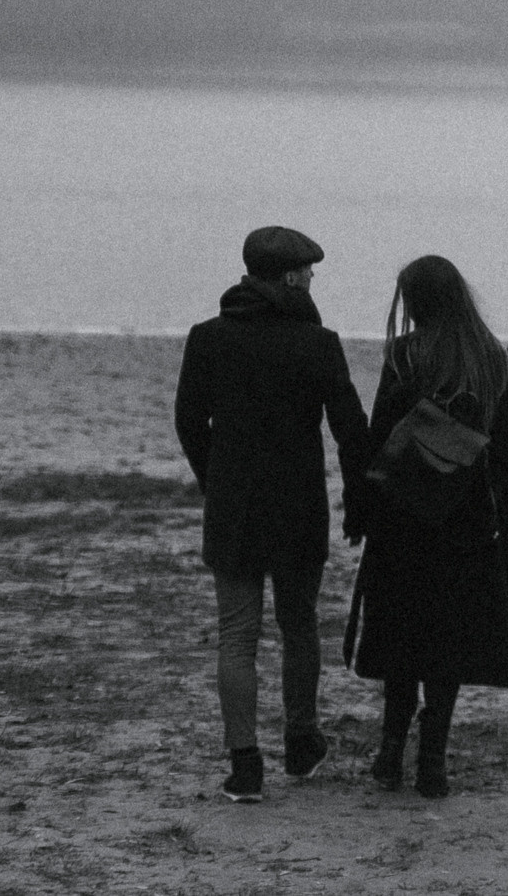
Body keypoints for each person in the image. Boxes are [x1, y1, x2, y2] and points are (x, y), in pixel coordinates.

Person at [174, 225, 372, 803]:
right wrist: (360, 497)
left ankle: (245, 765)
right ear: (289, 276)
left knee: (237, 636)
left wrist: (215, 480)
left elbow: (189, 421)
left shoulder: (207, 338)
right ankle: (302, 739)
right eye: (308, 270)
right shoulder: (318, 342)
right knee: (298, 625)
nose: (312, 278)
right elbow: (350, 432)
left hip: (234, 504)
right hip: (297, 504)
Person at [344, 254, 508, 799]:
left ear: (417, 300)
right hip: (469, 527)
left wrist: (361, 512)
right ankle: (433, 762)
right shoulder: (497, 361)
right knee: (448, 644)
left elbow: (381, 442)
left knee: (401, 636)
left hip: (403, 522)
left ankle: (389, 754)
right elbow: (504, 464)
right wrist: (480, 510)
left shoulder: (405, 357)